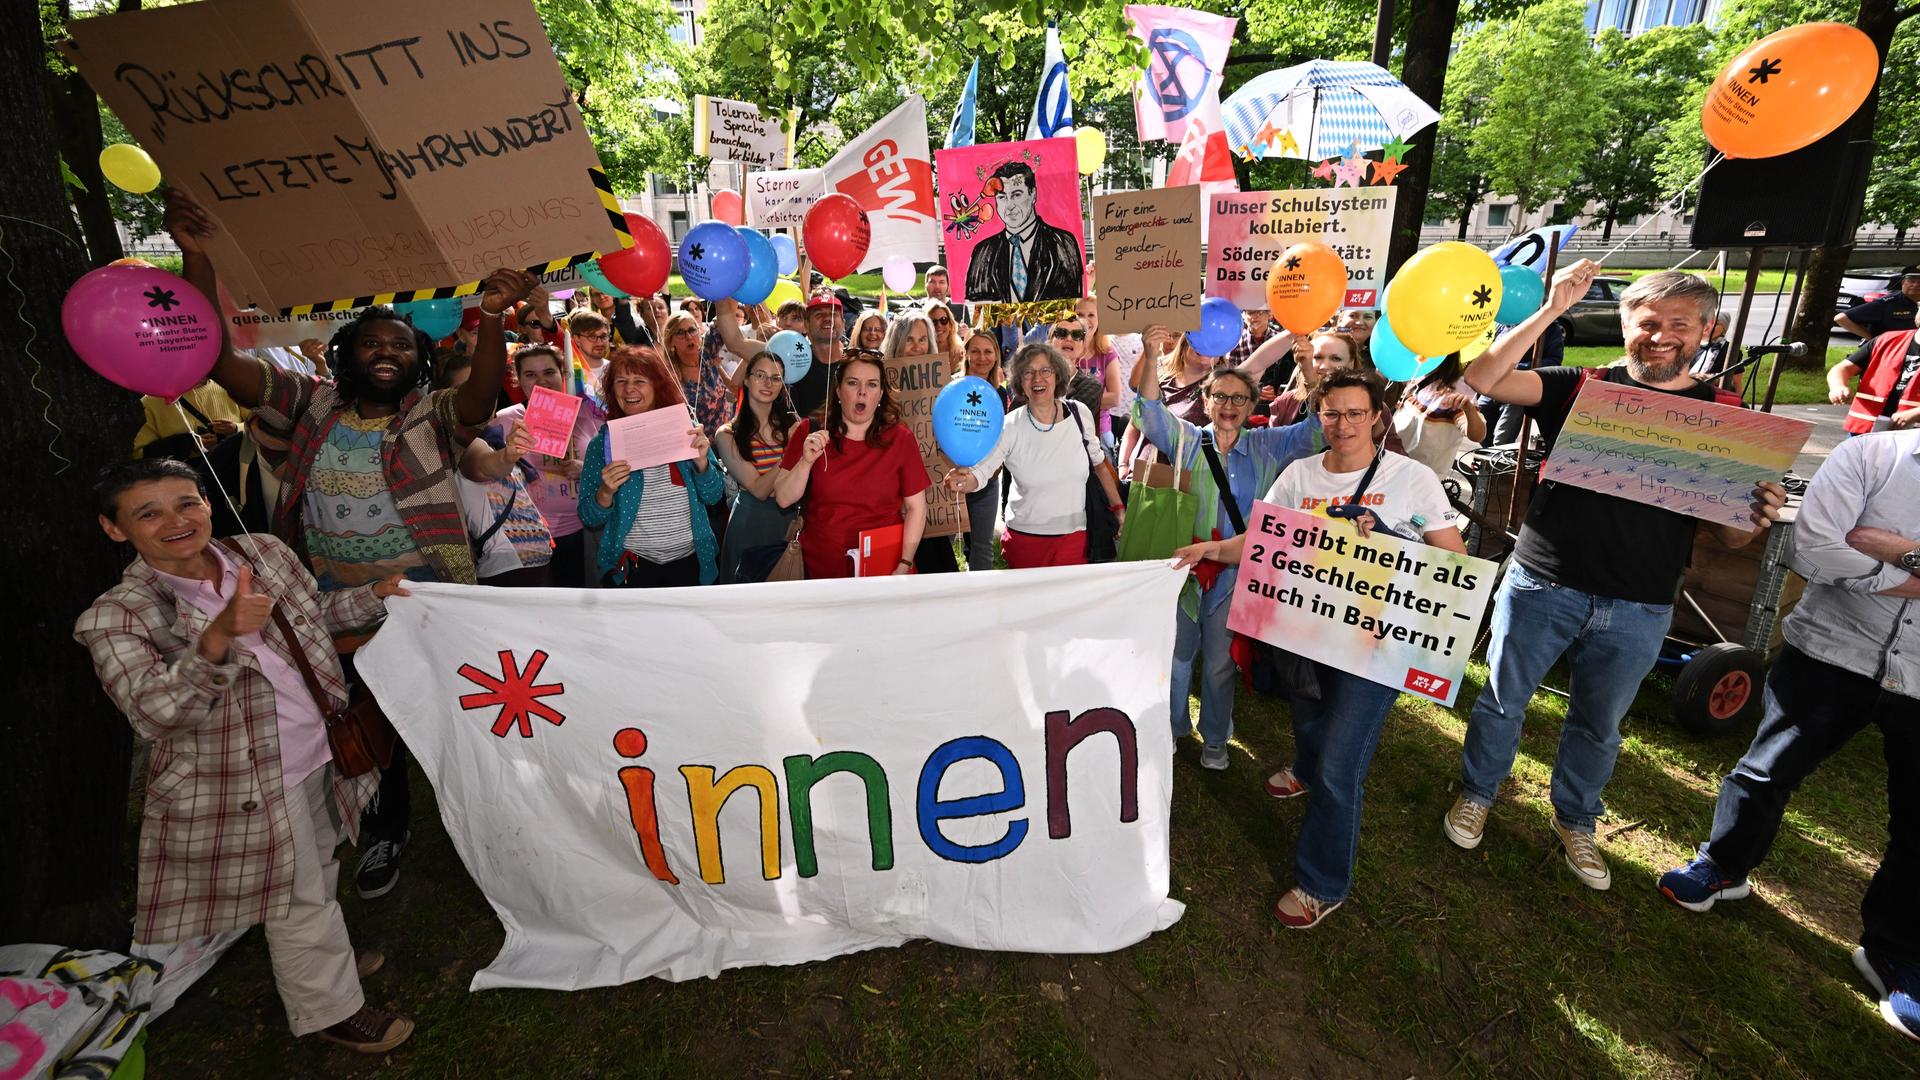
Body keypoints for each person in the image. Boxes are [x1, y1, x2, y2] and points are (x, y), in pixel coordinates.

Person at [166, 189, 537, 902]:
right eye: (374, 342)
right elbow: (216, 358)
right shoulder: (307, 404)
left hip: (431, 603)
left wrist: (491, 317)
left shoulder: (430, 415)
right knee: (371, 723)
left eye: (402, 343)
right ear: (347, 354)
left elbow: (481, 402)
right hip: (336, 610)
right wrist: (196, 256)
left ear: (418, 357)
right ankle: (388, 829)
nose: (389, 351)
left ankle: (497, 826)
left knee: (460, 713)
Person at [1446, 264, 1787, 889]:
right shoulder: (1579, 385)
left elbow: (1734, 537)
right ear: (1625, 326)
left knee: (1598, 725)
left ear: (1707, 330)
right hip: (1543, 583)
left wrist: (1756, 516)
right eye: (1647, 322)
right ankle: (1478, 793)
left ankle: (1576, 820)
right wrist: (1551, 311)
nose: (1661, 336)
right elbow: (1481, 378)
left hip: (1640, 603)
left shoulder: (1724, 418)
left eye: (1679, 325)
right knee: (1502, 701)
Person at [75, 459, 415, 1053]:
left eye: (186, 503)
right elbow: (155, 713)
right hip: (245, 781)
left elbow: (317, 616)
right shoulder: (117, 615)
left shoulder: (260, 553)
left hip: (318, 747)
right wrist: (217, 636)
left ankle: (320, 957)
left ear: (208, 501)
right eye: (147, 513)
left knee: (319, 863)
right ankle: (328, 1007)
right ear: (114, 529)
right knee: (297, 895)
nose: (175, 521)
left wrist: (374, 597)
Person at [1655, 429, 1920, 1040]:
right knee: (1765, 771)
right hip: (1832, 651)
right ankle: (1723, 867)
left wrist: (1896, 549)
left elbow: (1846, 551)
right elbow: (1815, 550)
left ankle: (1895, 951)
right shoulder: (1869, 455)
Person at [1174, 369, 1464, 927]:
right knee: (1306, 717)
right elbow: (1263, 536)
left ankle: (1322, 882)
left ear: (1377, 416)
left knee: (1340, 764)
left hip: (1375, 646)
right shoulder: (1299, 474)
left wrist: (1389, 539)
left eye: (1356, 413)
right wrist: (1212, 548)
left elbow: (1451, 560)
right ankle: (1303, 767)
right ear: (1319, 416)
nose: (1343, 425)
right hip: (1304, 634)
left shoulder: (1414, 479)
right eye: (1331, 414)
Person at [1134, 325, 1324, 770]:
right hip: (1184, 568)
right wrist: (1148, 351)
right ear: (1206, 401)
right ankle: (1173, 726)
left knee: (1220, 664)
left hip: (1236, 572)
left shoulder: (1269, 444)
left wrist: (1307, 370)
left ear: (1252, 404)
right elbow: (1147, 412)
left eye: (1239, 398)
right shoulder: (1186, 440)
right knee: (1179, 657)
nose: (1229, 406)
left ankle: (1216, 737)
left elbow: (1316, 432)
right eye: (1220, 397)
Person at [945, 343, 1121, 569]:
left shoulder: (1080, 413)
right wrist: (965, 480)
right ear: (1019, 381)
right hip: (1025, 543)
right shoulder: (1010, 425)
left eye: (1045, 371)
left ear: (1057, 376)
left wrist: (1119, 510)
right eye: (1028, 372)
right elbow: (984, 470)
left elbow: (1099, 465)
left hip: (1076, 540)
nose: (1037, 378)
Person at [772, 352, 930, 579]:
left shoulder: (900, 438)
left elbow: (917, 508)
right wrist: (805, 462)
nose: (862, 392)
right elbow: (783, 498)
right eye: (853, 383)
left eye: (872, 384)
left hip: (886, 568)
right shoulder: (811, 431)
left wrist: (904, 563)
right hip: (822, 569)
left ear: (881, 393)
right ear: (838, 390)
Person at [576, 348, 724, 587]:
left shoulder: (684, 429)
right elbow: (589, 517)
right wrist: (604, 493)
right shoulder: (603, 443)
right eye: (620, 381)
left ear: (657, 386)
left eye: (639, 381)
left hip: (691, 563)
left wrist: (703, 464)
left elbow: (714, 495)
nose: (628, 389)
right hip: (633, 568)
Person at [488, 344, 606, 587]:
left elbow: (614, 465)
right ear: (517, 380)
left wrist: (586, 469)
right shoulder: (504, 420)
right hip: (526, 537)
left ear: (563, 375)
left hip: (583, 532)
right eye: (530, 375)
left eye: (549, 372)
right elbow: (487, 476)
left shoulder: (590, 413)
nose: (542, 381)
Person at [437, 356, 552, 588]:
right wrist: (508, 456)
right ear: (446, 398)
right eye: (466, 390)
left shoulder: (493, 435)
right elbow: (484, 467)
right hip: (506, 568)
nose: (480, 397)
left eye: (484, 387)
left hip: (535, 562)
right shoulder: (457, 443)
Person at [714, 351, 801, 583]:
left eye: (775, 378)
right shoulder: (727, 435)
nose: (767, 383)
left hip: (789, 522)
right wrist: (792, 450)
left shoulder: (792, 426)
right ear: (747, 379)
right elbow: (759, 489)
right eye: (760, 375)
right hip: (751, 523)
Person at [962, 160, 1084, 303]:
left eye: (1017, 195)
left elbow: (1070, 302)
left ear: (1033, 194)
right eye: (1002, 197)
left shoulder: (1062, 243)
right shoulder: (983, 251)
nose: (1009, 206)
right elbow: (977, 306)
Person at [957, 330, 1010, 571]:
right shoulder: (953, 389)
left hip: (987, 477)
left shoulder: (1000, 393)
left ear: (996, 356)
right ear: (966, 355)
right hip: (952, 474)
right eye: (975, 351)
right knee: (947, 543)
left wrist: (991, 470)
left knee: (982, 545)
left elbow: (1002, 436)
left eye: (988, 351)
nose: (981, 357)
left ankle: (981, 599)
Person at [1390, 353, 1486, 482]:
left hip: (1420, 478)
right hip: (1392, 465)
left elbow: (1477, 435)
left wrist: (1469, 409)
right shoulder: (1415, 373)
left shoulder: (1459, 389)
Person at [662, 311, 743, 440]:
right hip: (701, 450)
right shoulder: (668, 376)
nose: (688, 337)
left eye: (692, 330)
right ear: (671, 342)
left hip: (729, 437)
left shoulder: (708, 354)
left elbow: (724, 314)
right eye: (680, 333)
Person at [1828, 325, 1920, 434]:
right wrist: (1838, 387)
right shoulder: (1887, 339)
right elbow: (1842, 369)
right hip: (1865, 431)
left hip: (1914, 437)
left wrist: (1916, 413)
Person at [133, 378, 250, 460]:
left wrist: (236, 429)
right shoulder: (150, 402)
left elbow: (261, 425)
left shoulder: (230, 387)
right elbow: (139, 455)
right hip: (186, 483)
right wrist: (189, 445)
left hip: (239, 473)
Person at [1835, 267, 1920, 340]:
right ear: (1902, 283)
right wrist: (1873, 339)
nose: (1916, 285)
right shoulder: (1886, 304)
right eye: (1912, 281)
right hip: (1891, 352)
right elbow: (1841, 318)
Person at [566, 309, 615, 402]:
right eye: (592, 336)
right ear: (577, 339)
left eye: (603, 336)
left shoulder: (616, 369)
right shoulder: (568, 373)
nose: (599, 342)